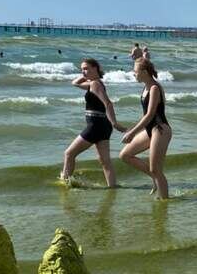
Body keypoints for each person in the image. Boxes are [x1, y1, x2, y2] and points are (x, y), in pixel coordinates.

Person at [61, 58, 124, 186]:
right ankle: (113, 187)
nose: (83, 71)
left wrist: (115, 123)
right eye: (82, 69)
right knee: (105, 161)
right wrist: (85, 75)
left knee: (69, 153)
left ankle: (65, 182)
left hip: (96, 126)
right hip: (102, 126)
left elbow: (108, 103)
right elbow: (75, 83)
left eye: (86, 68)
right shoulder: (94, 83)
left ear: (95, 68)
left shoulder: (95, 84)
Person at [121, 57, 172, 199]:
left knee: (156, 169)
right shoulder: (145, 87)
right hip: (150, 130)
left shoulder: (155, 88)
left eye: (135, 71)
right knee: (125, 155)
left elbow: (149, 115)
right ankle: (155, 178)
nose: (133, 73)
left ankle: (164, 202)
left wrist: (132, 132)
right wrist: (133, 130)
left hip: (160, 129)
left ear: (144, 71)